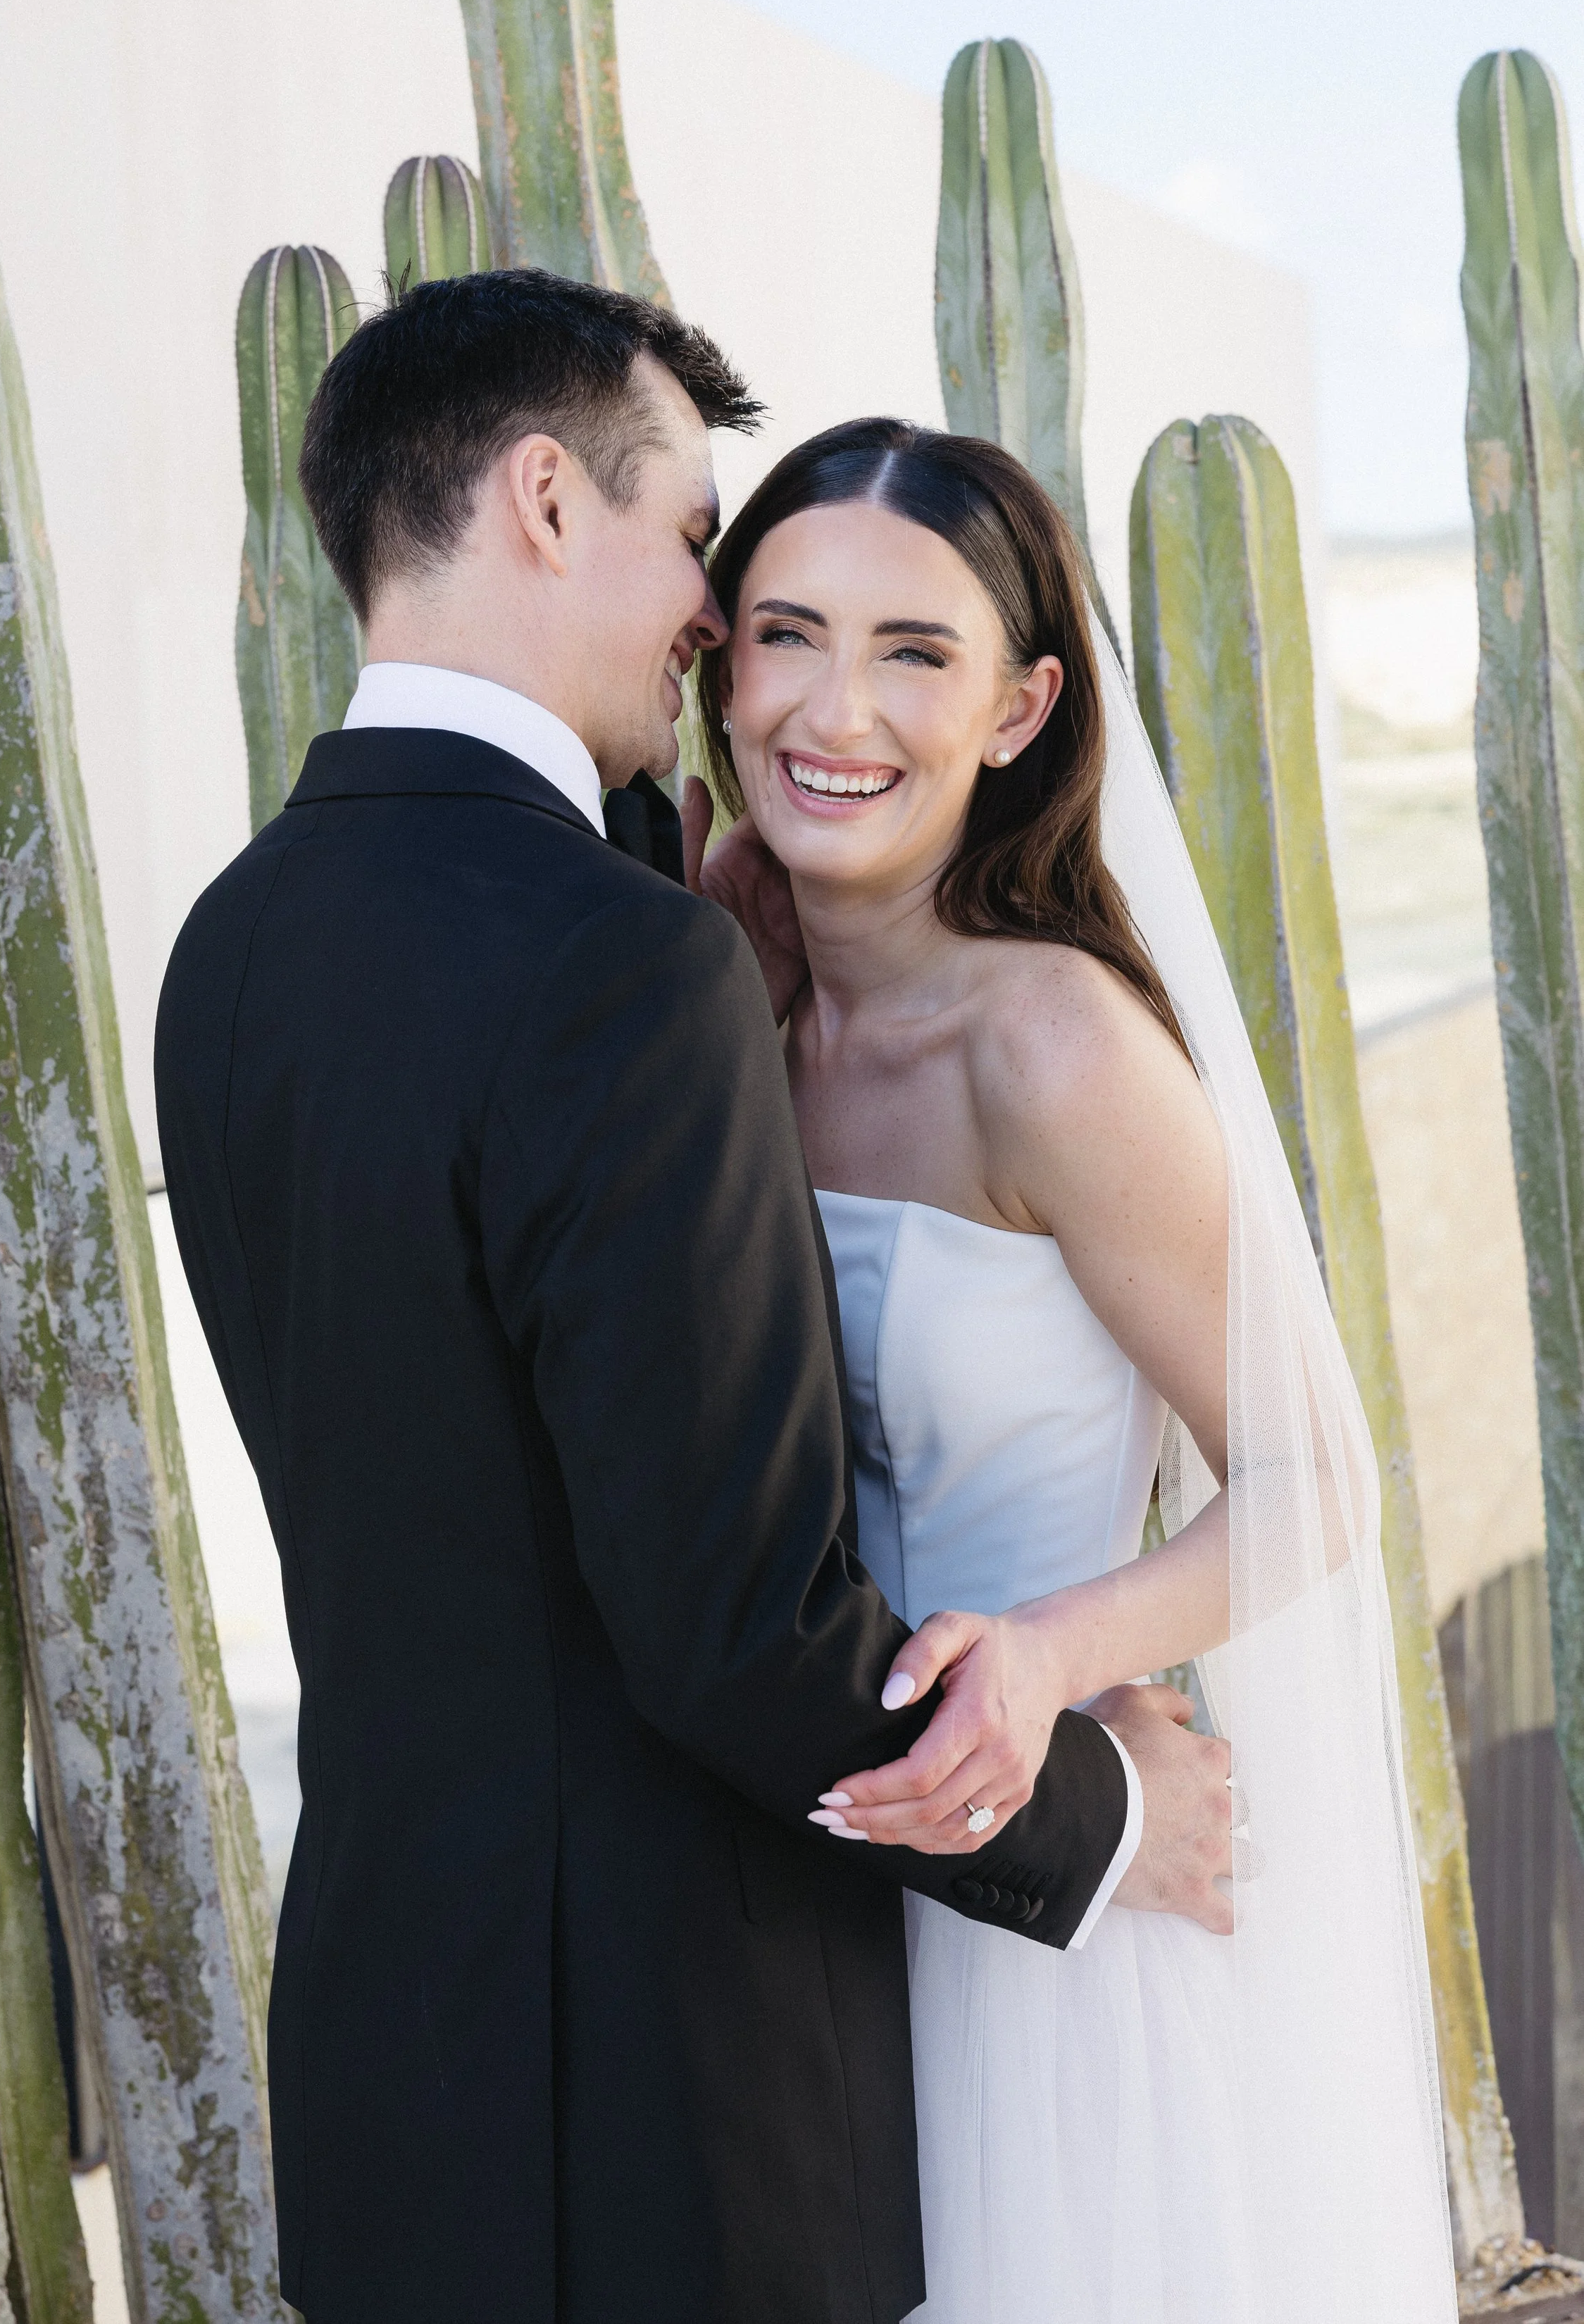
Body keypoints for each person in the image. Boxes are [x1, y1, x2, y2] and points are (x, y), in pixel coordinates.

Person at [154, 271, 1232, 2324]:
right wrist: (1100, 1817)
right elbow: (729, 1623)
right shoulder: (620, 962)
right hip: (669, 2095)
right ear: (547, 502)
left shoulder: (240, 935)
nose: (705, 614)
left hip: (398, 2058)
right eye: (689, 539)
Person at [685, 416, 1458, 2323]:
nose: (830, 707)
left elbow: (1311, 1489)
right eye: (785, 632)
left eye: (913, 651)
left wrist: (1043, 1661)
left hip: (1043, 1924)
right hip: (790, 1912)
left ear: (1023, 706)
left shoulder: (1053, 1051)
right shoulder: (718, 986)